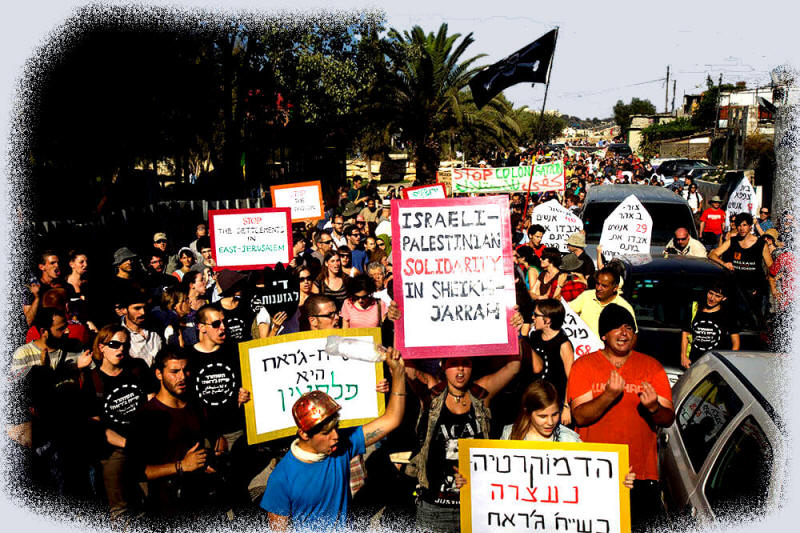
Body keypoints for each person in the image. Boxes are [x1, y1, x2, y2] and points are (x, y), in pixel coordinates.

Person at [260, 349, 407, 530]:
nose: (335, 436)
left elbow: (392, 419)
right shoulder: (281, 478)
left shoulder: (342, 446)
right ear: (304, 434)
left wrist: (399, 374)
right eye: (326, 433)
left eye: (336, 428)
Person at [567, 304, 674, 529]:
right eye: (616, 327)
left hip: (639, 475)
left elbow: (668, 418)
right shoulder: (583, 366)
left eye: (628, 328)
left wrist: (654, 408)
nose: (624, 333)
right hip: (592, 472)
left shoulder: (652, 367)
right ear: (603, 335)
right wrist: (608, 395)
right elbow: (580, 416)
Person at [404, 354, 521, 533]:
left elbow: (513, 367)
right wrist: (399, 338)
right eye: (454, 363)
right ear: (443, 365)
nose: (460, 369)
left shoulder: (481, 393)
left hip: (475, 506)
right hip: (436, 508)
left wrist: (515, 336)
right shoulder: (433, 393)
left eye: (465, 363)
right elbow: (409, 371)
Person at [125, 347, 226, 516]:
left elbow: (215, 438)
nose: (182, 377)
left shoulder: (196, 405)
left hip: (202, 501)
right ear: (159, 374)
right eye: (174, 371)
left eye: (185, 370)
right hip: (167, 509)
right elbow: (136, 471)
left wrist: (215, 454)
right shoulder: (146, 416)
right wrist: (181, 466)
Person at [82, 324, 154, 520]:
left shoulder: (137, 368)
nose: (121, 349)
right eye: (114, 344)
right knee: (121, 510)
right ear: (101, 347)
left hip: (146, 441)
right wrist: (128, 444)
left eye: (125, 344)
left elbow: (153, 402)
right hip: (115, 448)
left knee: (153, 503)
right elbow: (97, 428)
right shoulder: (93, 380)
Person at [513, 299, 574, 424]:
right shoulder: (535, 336)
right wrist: (521, 336)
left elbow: (571, 377)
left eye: (536, 315)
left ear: (547, 320)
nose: (533, 318)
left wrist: (567, 407)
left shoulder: (563, 344)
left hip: (554, 404)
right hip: (535, 400)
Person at [708, 212, 772, 315]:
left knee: (754, 319)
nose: (741, 228)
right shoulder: (732, 241)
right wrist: (724, 263)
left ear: (750, 226)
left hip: (754, 290)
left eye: (744, 225)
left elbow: (771, 266)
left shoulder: (761, 243)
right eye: (739, 225)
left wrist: (767, 287)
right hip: (735, 289)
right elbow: (712, 254)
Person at [680, 283, 740, 368]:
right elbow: (686, 333)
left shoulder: (727, 315)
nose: (712, 298)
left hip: (715, 363)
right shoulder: (695, 309)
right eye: (710, 293)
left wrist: (728, 362)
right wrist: (683, 356)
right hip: (693, 361)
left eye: (717, 296)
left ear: (724, 298)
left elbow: (736, 343)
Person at [567, 267, 636, 338]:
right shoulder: (586, 296)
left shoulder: (624, 307)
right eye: (597, 284)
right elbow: (566, 312)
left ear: (615, 288)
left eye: (604, 286)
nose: (598, 288)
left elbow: (633, 336)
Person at [121, 288, 163, 367]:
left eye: (145, 308)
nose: (143, 312)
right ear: (124, 310)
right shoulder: (118, 334)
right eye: (137, 308)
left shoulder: (157, 328)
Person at [24, 250, 65, 326]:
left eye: (58, 263)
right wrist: (37, 297)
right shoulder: (31, 288)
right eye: (52, 263)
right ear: (42, 267)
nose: (57, 265)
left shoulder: (64, 286)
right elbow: (28, 321)